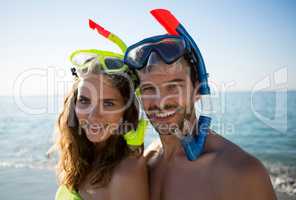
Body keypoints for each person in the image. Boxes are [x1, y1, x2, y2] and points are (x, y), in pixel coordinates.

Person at [124, 33, 277, 199]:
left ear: (198, 91)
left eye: (173, 87)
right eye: (148, 89)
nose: (160, 102)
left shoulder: (241, 173)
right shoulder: (149, 157)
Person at [55, 20, 149, 200]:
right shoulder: (80, 157)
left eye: (108, 103)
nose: (93, 115)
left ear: (126, 112)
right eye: (84, 100)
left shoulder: (126, 173)